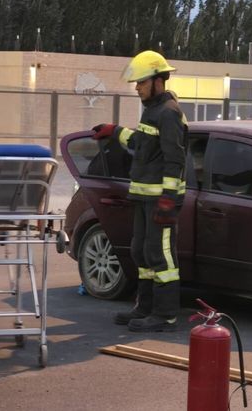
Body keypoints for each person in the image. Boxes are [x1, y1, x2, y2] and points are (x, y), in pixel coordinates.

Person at [92, 50, 187, 332]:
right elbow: (140, 143)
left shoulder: (169, 114)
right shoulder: (153, 111)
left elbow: (175, 159)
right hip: (145, 198)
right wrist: (115, 130)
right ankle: (145, 307)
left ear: (158, 80)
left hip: (161, 200)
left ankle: (165, 314)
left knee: (162, 257)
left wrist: (169, 199)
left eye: (141, 82)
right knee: (142, 252)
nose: (137, 88)